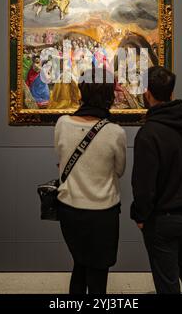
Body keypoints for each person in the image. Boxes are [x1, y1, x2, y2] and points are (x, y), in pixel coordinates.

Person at [131, 66, 182, 294]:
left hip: (162, 219)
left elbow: (143, 186)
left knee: (167, 281)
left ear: (147, 93)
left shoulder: (149, 133)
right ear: (171, 92)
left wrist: (141, 215)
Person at [55, 67, 127, 294]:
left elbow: (60, 159)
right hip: (102, 212)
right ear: (108, 94)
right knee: (98, 274)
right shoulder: (115, 132)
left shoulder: (62, 124)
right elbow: (120, 170)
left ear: (82, 91)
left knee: (79, 265)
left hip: (69, 209)